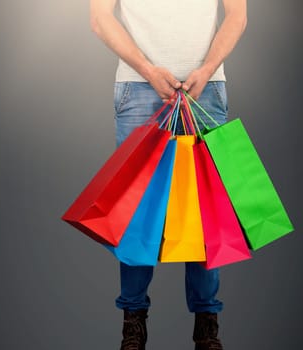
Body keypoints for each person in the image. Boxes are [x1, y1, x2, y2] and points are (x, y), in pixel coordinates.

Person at [90, 0, 247, 349]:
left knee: (205, 209)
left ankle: (207, 327)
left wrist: (206, 69)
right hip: (138, 86)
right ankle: (133, 323)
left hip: (205, 87)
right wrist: (147, 69)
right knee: (137, 213)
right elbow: (100, 18)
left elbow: (237, 14)